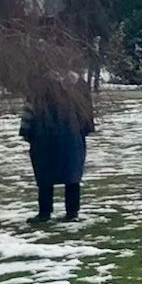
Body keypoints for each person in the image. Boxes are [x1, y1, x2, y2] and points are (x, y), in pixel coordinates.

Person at [21, 78, 94, 224]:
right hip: (72, 137)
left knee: (45, 176)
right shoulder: (78, 83)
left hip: (43, 138)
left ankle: (44, 213)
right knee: (72, 175)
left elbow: (29, 113)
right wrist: (84, 131)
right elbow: (86, 112)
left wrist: (27, 133)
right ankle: (72, 212)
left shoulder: (39, 85)